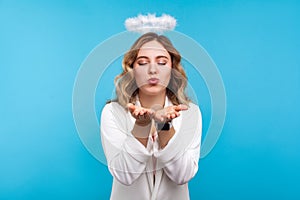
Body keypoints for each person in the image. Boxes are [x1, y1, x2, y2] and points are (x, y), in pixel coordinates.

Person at [101, 32, 202, 200]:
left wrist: (164, 126)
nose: (153, 70)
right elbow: (124, 175)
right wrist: (142, 126)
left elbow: (182, 175)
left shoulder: (191, 113)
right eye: (142, 62)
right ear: (132, 68)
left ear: (172, 69)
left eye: (162, 62)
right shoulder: (113, 112)